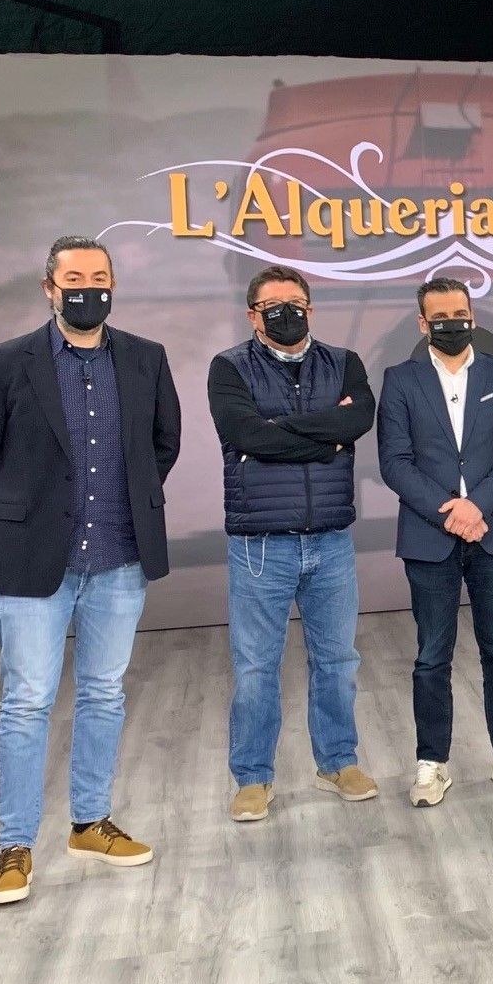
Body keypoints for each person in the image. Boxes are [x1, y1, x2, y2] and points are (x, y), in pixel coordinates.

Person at [0, 236, 183, 905]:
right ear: (49, 288)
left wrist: (125, 502)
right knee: (27, 702)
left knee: (104, 694)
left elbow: (163, 443)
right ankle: (15, 847)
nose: (90, 288)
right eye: (75, 278)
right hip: (33, 561)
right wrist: (25, 512)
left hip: (118, 557)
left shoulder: (145, 357)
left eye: (100, 276)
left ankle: (90, 823)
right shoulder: (5, 362)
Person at [207, 265, 379, 822]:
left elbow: (358, 422)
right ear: (252, 315)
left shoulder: (344, 362)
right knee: (256, 668)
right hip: (261, 545)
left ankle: (338, 762)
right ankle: (253, 778)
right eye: (273, 305)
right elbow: (245, 435)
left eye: (296, 303)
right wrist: (326, 437)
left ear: (310, 307)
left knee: (338, 660)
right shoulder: (229, 368)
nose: (287, 313)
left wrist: (281, 431)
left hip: (330, 539)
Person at [377, 277, 493, 806]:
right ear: (423, 323)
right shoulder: (400, 380)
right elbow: (394, 462)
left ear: (473, 316)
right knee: (431, 657)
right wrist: (451, 512)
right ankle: (432, 762)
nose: (452, 324)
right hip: (430, 536)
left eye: (460, 314)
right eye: (440, 317)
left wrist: (476, 506)